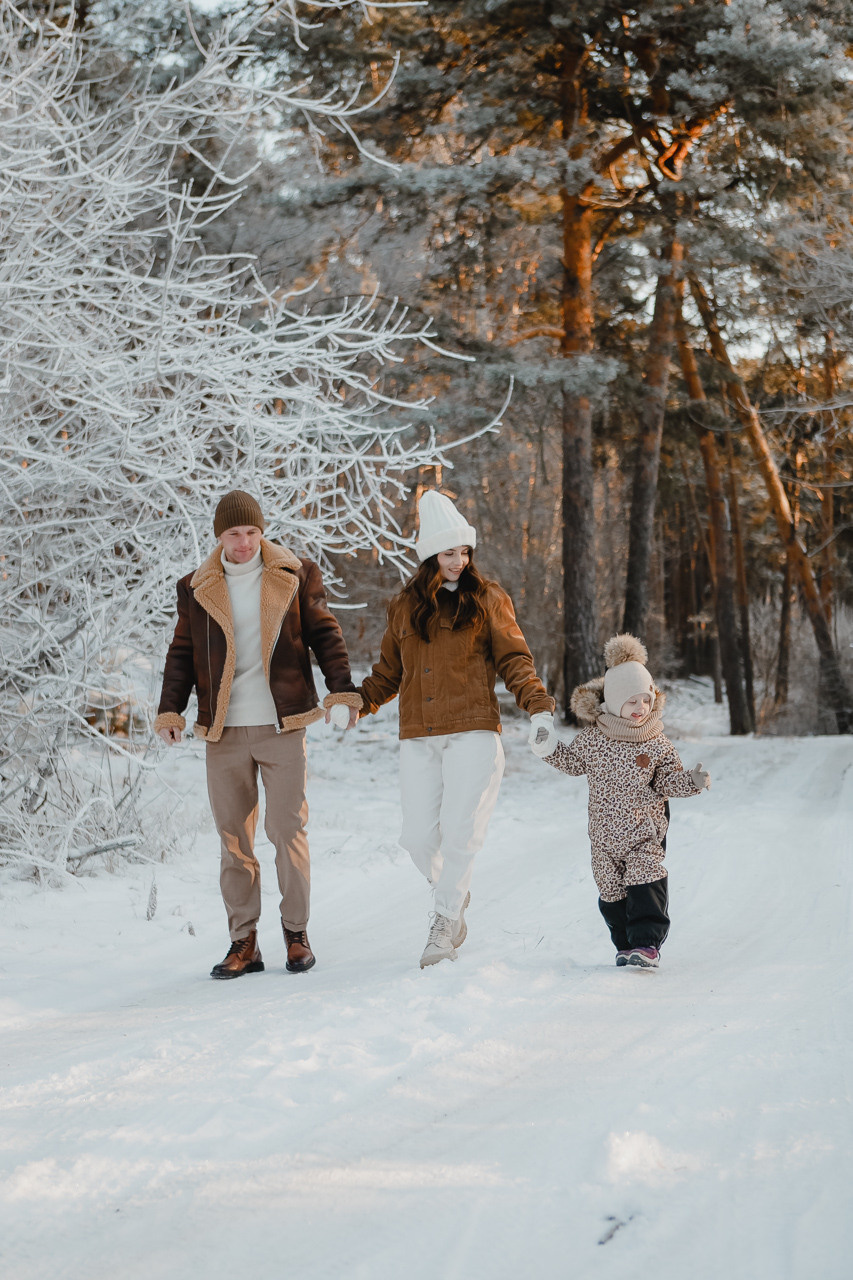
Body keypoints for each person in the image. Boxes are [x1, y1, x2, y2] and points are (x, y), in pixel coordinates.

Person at [155, 490, 361, 980]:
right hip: (222, 730)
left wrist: (342, 691)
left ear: (261, 532)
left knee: (287, 831)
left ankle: (296, 934)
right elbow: (181, 652)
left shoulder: (295, 575)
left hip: (281, 725)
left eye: (251, 532)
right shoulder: (196, 586)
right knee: (234, 841)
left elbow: (325, 634)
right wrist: (170, 709)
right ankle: (243, 942)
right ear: (219, 537)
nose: (244, 542)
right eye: (234, 534)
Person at [357, 490, 556, 968]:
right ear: (431, 555)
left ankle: (445, 923)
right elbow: (388, 673)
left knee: (461, 831)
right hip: (419, 735)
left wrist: (539, 709)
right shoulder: (404, 607)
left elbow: (514, 660)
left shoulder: (488, 599)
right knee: (418, 838)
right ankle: (455, 890)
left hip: (473, 732)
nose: (459, 561)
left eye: (465, 552)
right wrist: (357, 704)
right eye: (450, 552)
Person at [530, 633, 710, 968]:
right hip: (603, 837)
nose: (641, 708)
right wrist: (549, 749)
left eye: (646, 699)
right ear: (612, 702)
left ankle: (647, 944)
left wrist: (691, 781)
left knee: (645, 880)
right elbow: (573, 763)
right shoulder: (594, 739)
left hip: (643, 832)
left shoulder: (656, 742)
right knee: (611, 892)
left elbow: (667, 779)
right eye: (631, 702)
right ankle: (626, 945)